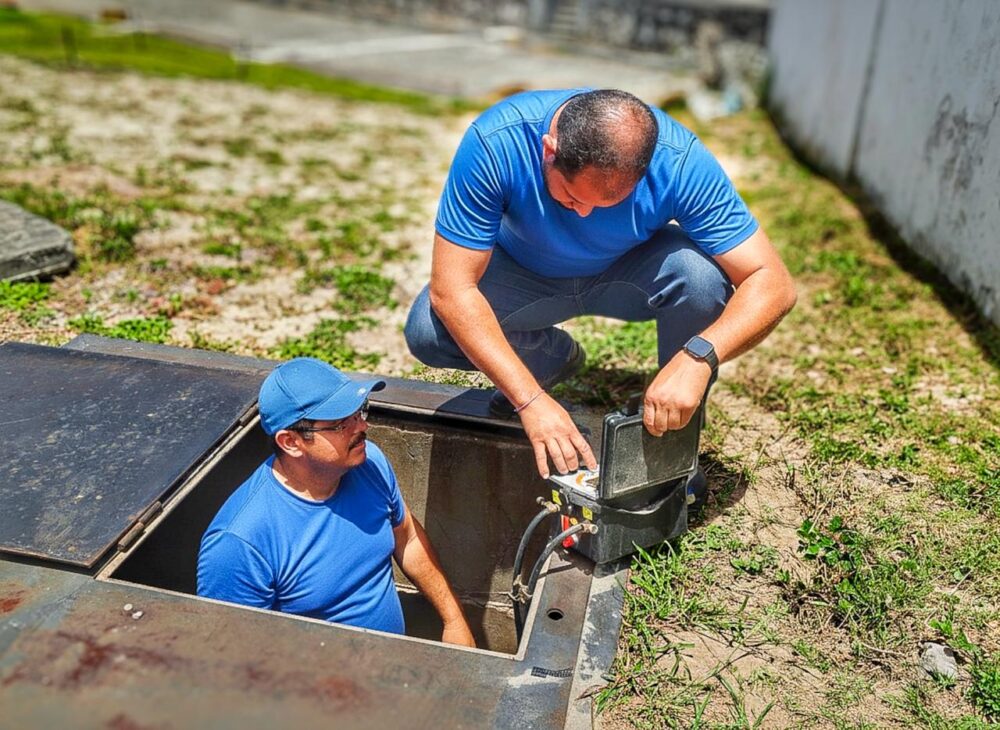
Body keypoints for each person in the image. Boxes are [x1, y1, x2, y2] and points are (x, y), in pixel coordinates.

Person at [404, 88, 796, 480]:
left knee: (700, 277)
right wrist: (530, 400)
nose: (585, 214)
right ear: (549, 151)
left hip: (625, 276)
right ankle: (552, 358)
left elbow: (773, 282)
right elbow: (452, 290)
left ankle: (673, 438)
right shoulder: (496, 143)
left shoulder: (679, 161)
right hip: (526, 276)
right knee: (429, 330)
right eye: (573, 198)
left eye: (608, 204)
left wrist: (699, 357)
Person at [197, 357, 475, 647]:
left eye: (359, 412)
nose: (362, 426)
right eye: (341, 423)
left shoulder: (369, 464)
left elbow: (407, 537)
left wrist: (454, 621)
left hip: (393, 671)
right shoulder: (240, 542)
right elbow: (232, 657)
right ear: (291, 442)